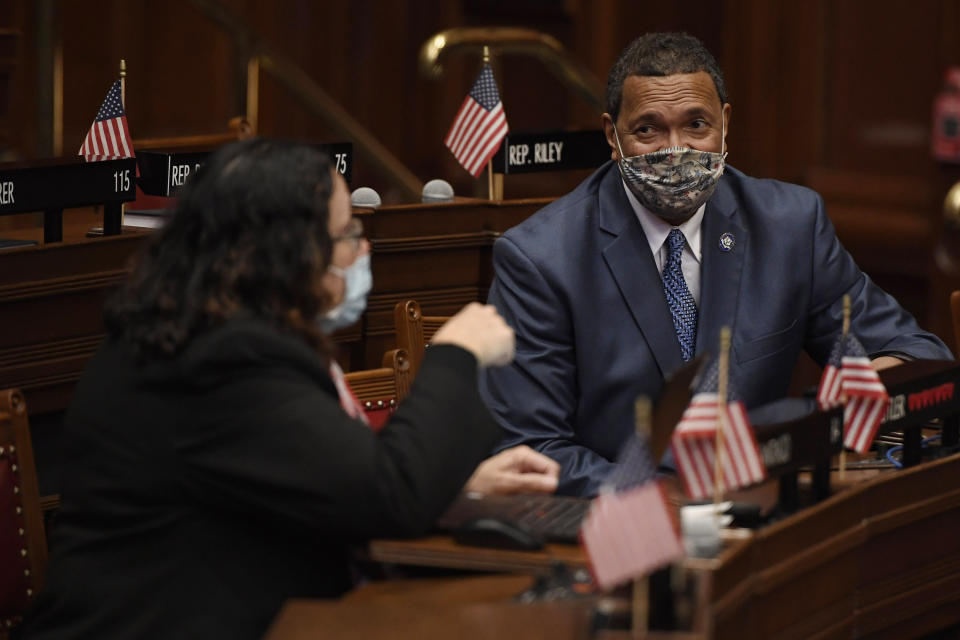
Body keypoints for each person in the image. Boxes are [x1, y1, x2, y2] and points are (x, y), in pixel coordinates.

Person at [20, 139, 556, 640]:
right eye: (346, 235)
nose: (362, 249)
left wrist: (457, 485)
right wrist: (454, 355)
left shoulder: (207, 331)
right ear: (286, 252)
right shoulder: (219, 358)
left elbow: (332, 483)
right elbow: (386, 495)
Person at [479, 32, 953, 498]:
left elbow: (921, 356)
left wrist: (847, 400)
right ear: (612, 135)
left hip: (768, 511)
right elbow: (531, 451)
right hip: (624, 528)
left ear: (725, 123)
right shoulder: (541, 259)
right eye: (648, 129)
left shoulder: (788, 226)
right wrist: (678, 497)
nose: (676, 149)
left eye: (696, 125)